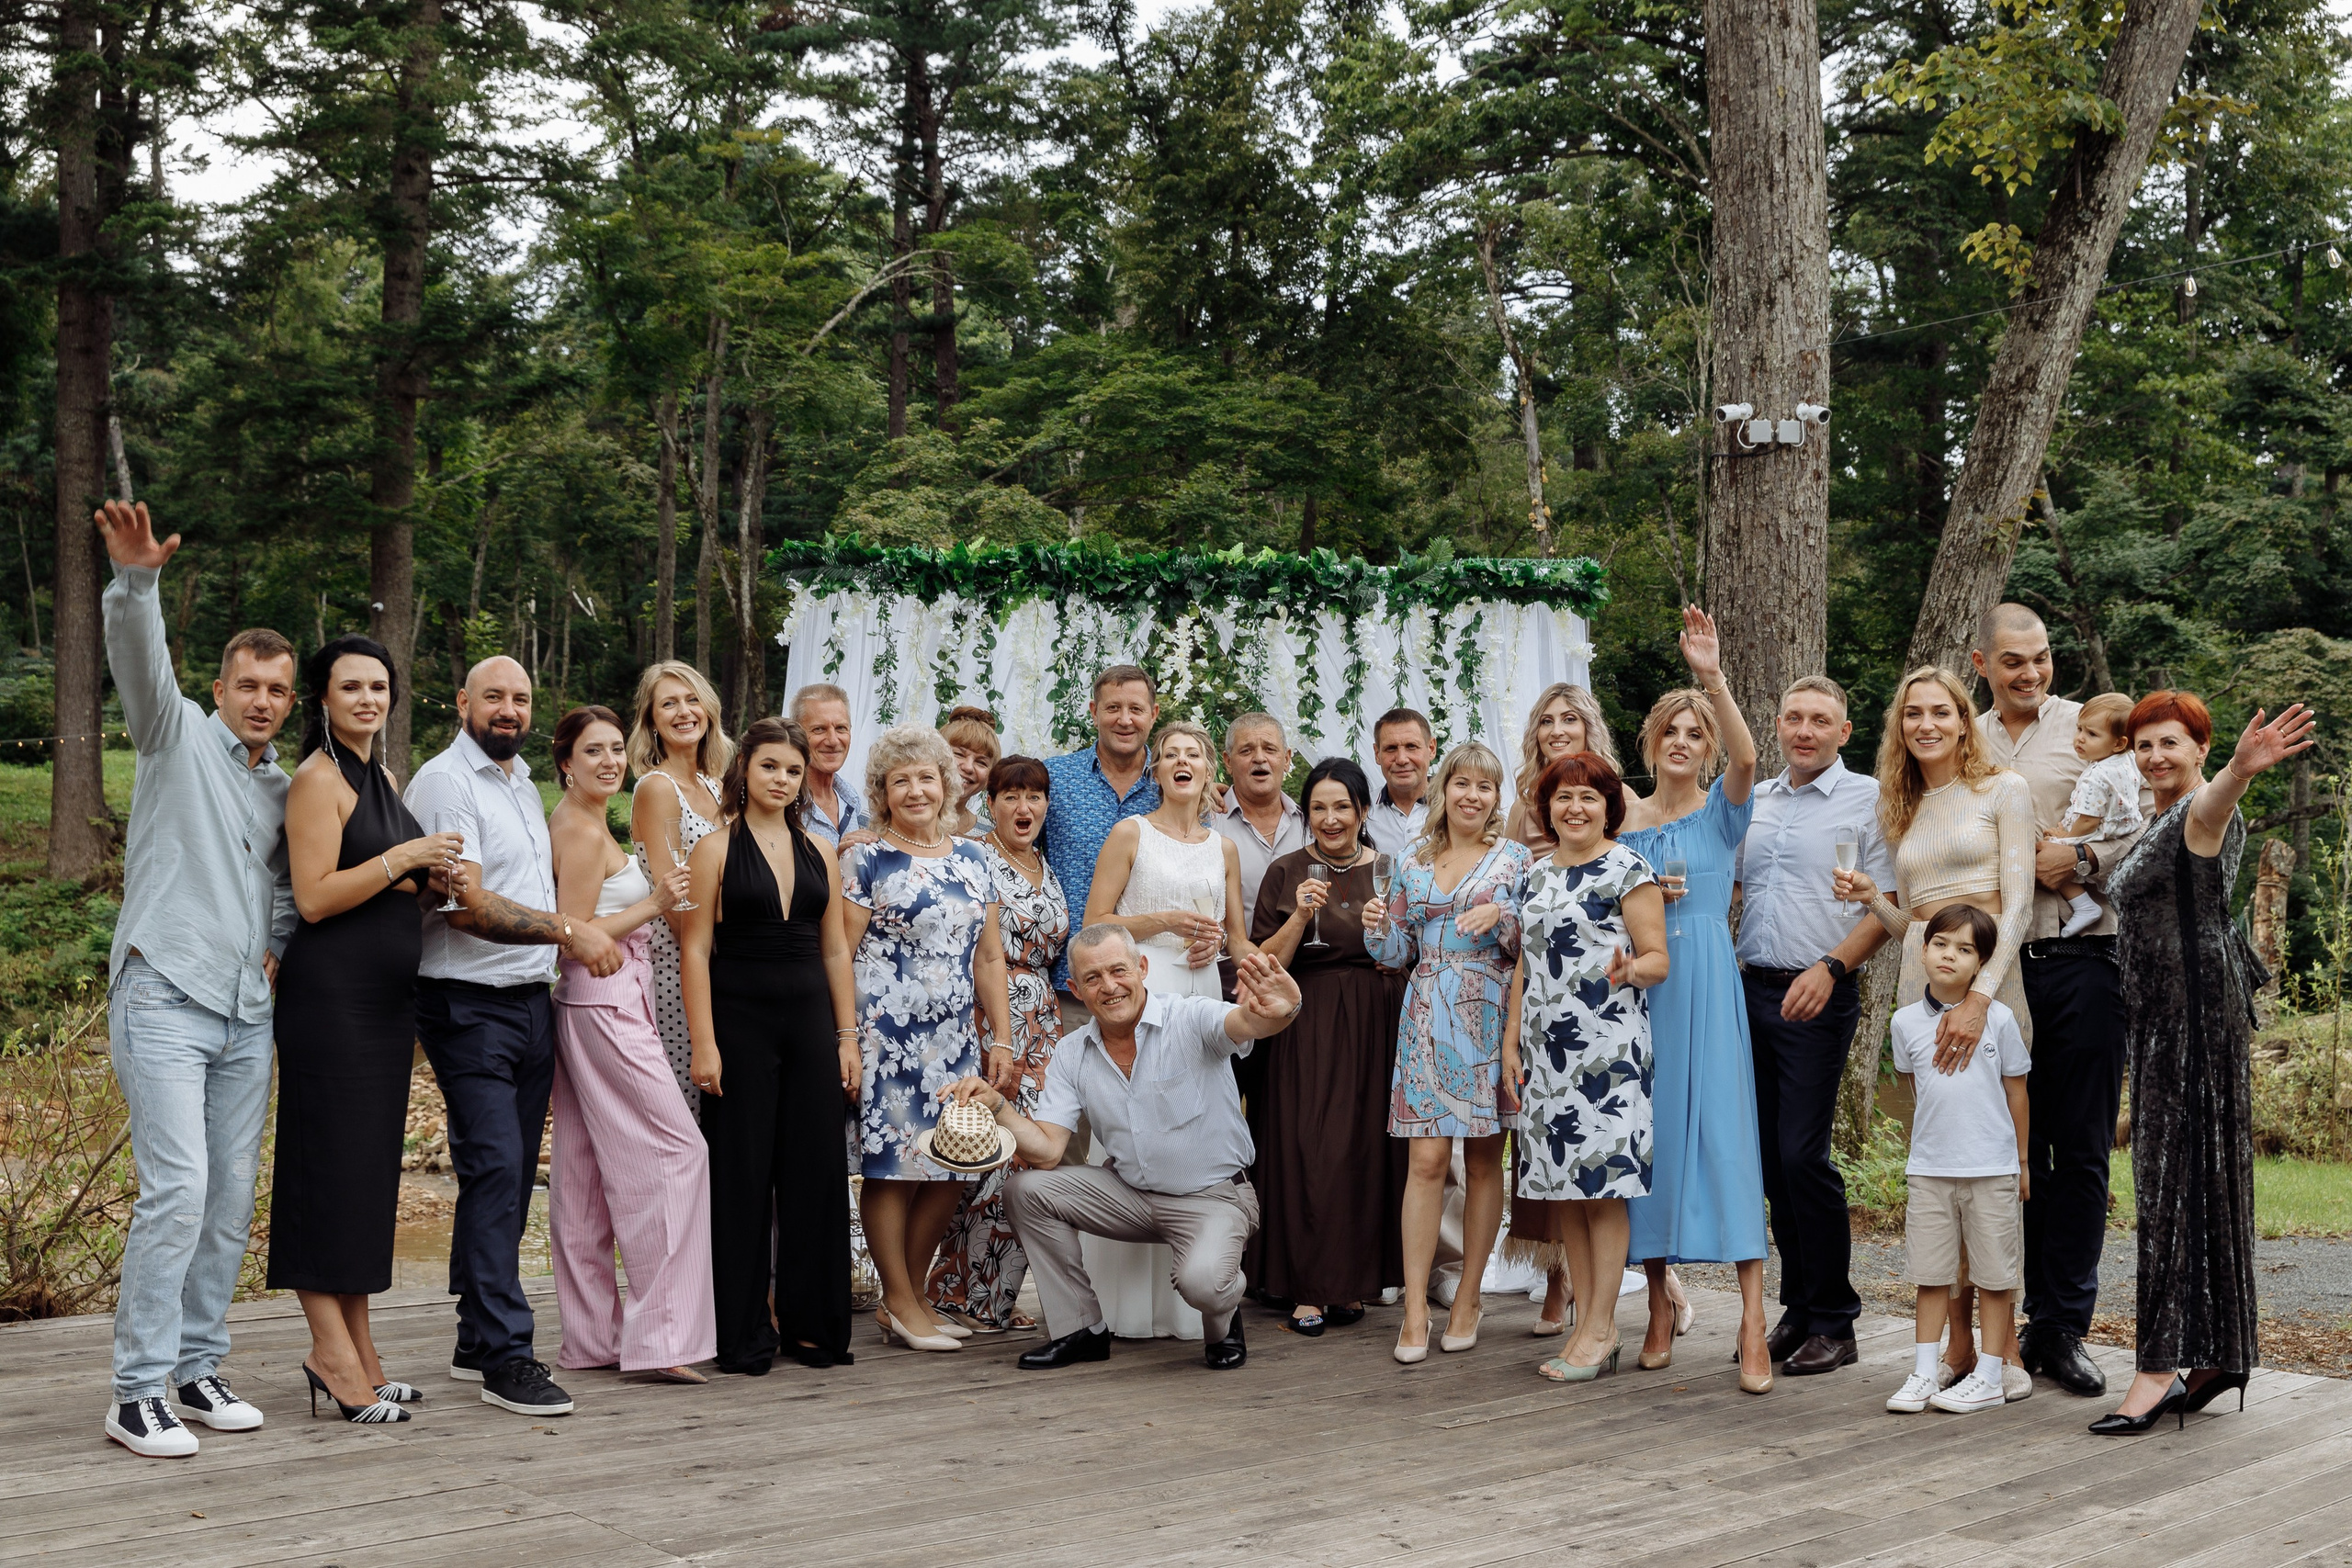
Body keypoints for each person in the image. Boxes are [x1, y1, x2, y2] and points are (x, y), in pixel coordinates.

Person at [94, 501, 295, 1457]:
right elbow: (140, 660)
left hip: (245, 1018)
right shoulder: (174, 737)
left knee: (225, 1201)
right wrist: (138, 584)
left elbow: (288, 890)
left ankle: (196, 1367)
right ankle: (135, 1392)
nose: (261, 700)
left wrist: (278, 946)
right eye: (248, 684)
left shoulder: (281, 788)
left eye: (277, 690)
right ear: (217, 687)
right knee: (175, 1191)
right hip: (163, 996)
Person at [2092, 693, 2314, 1434]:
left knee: (2167, 1188)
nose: (2156, 755)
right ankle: (2217, 1353)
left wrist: (2240, 771)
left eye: (2170, 743)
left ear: (2199, 749)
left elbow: (2215, 806)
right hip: (2171, 1019)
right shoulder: (2157, 817)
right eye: (2143, 744)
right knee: (2194, 1181)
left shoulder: (2199, 810)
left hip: (2190, 1022)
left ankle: (2158, 1368)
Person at [411, 655, 623, 1419]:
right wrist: (570, 929)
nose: (509, 709)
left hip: (530, 1000)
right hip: (465, 1001)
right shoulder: (446, 781)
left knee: (495, 1174)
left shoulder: (519, 781)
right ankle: (507, 1354)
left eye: (521, 698)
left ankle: (474, 1338)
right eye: (494, 696)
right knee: (500, 1167)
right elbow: (462, 906)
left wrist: (558, 940)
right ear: (464, 701)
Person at [944, 930, 1306, 1373]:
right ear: (1076, 990)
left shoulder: (1189, 1017)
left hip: (1213, 1196)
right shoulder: (1073, 1052)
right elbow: (1048, 1150)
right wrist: (998, 1106)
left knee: (1205, 1285)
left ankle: (1223, 1318)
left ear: (1142, 970)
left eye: (1118, 970)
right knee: (1027, 1189)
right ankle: (1081, 1330)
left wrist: (1283, 1009)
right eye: (1092, 978)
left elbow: (1248, 1022)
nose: (1109, 986)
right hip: (1130, 1194)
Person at [271, 635, 459, 1427]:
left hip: (385, 1005)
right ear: (322, 696)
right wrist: (405, 856)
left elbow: (381, 888)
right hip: (330, 1002)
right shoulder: (317, 779)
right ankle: (328, 1352)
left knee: (365, 1177)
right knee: (325, 1172)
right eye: (351, 686)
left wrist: (430, 880)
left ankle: (363, 1352)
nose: (368, 699)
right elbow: (314, 898)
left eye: (379, 685)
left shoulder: (377, 773)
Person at [1836, 664, 2035, 1392]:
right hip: (1922, 981)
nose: (1926, 724)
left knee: (1988, 1165)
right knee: (1940, 1158)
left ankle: (2004, 1353)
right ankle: (1955, 1347)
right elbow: (1914, 923)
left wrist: (1981, 995)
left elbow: (2015, 905)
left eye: (1940, 712)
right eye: (1912, 713)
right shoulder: (1904, 805)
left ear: (1963, 720)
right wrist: (1872, 900)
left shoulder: (2002, 790)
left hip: (1990, 976)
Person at [1968, 607, 2148, 1401]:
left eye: (2040, 658)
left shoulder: (2098, 728)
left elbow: (2148, 824)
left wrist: (2076, 854)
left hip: (2083, 959)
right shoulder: (1960, 734)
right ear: (1983, 662)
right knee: (2006, 1154)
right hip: (1992, 974)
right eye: (2013, 661)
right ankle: (2004, 1329)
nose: (2030, 673)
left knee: (2076, 1150)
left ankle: (2062, 1325)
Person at [1617, 606, 1770, 1390]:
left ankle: (1752, 1321)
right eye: (1671, 731)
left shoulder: (1722, 811)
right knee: (1653, 1142)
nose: (1683, 741)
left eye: (1695, 732)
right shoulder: (1624, 821)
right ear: (1651, 743)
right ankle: (1655, 1302)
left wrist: (1712, 678)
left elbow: (1749, 754)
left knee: (1722, 1137)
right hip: (1643, 992)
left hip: (1706, 978)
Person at [681, 717, 862, 1372]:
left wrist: (848, 1037)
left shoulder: (820, 849)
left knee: (815, 1170)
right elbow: (695, 948)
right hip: (739, 1019)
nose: (781, 779)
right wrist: (705, 1042)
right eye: (769, 767)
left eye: (792, 770)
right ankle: (742, 1331)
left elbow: (836, 947)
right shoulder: (714, 849)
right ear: (744, 771)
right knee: (743, 1173)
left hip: (812, 1018)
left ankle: (814, 1327)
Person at [1733, 675, 1894, 1377]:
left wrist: (1830, 968)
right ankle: (1799, 1308)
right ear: (1777, 724)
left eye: (1819, 720)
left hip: (1817, 992)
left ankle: (1837, 1318)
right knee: (1769, 1160)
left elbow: (1887, 905)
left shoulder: (1871, 800)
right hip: (1747, 991)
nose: (1805, 729)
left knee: (1804, 1154)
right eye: (1793, 717)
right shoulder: (1754, 802)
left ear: (1843, 731)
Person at [546, 705, 712, 1383]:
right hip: (607, 1004)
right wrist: (656, 900)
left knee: (582, 1173)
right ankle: (662, 1337)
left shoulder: (579, 822)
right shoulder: (581, 833)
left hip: (591, 1006)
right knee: (678, 1150)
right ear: (566, 762)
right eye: (594, 752)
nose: (611, 761)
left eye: (617, 749)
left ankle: (591, 1338)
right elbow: (574, 929)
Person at [841, 724, 1017, 1353]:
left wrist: (1000, 1037)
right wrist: (845, 1037)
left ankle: (907, 1298)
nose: (915, 790)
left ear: (945, 783)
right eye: (900, 780)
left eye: (926, 777)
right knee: (893, 1169)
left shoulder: (975, 857)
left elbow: (990, 957)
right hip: (884, 1037)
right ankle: (901, 1301)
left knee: (950, 1165)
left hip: (953, 1040)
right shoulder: (865, 857)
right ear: (882, 792)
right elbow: (839, 950)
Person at [1080, 719, 1253, 1338]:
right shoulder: (1131, 833)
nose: (1182, 761)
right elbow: (1095, 922)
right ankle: (1126, 1304)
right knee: (1136, 1121)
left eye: (1194, 755)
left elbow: (1235, 935)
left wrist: (1233, 951)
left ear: (1209, 771)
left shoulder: (1223, 845)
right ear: (1156, 771)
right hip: (1141, 989)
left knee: (1195, 1126)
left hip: (1200, 994)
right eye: (1170, 754)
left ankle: (1198, 1300)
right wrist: (1165, 922)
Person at [1502, 751, 1668, 1383]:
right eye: (1563, 796)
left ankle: (1602, 1327)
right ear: (1547, 807)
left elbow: (1658, 957)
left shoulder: (1629, 868)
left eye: (1588, 797)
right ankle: (1584, 1324)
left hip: (1608, 1051)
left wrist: (1632, 968)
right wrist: (1512, 1038)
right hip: (1546, 1054)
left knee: (1604, 1194)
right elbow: (1525, 964)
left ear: (1609, 806)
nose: (1574, 806)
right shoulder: (1536, 873)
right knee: (1565, 1190)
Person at [1366, 741, 1531, 1364]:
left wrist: (1505, 910)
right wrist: (1378, 923)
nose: (1473, 795)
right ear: (1444, 790)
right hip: (1426, 1008)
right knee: (1428, 1162)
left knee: (1487, 1162)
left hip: (1489, 1009)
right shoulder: (1412, 858)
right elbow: (1392, 955)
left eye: (1485, 787)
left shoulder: (1515, 859)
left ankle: (1468, 1296)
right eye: (1462, 783)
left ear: (1496, 797)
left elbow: (1532, 940)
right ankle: (1414, 1307)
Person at [1244, 758, 1407, 1337]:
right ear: (1305, 815)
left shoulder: (1391, 871)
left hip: (1374, 1025)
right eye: (1319, 808)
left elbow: (1409, 955)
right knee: (1308, 1148)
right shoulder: (1285, 871)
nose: (1331, 818)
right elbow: (1263, 965)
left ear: (1363, 812)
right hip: (1303, 1025)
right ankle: (1307, 1288)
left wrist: (1384, 931)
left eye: (1343, 806)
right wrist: (1301, 916)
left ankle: (1352, 1283)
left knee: (1362, 1153)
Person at [928, 757, 1069, 1333]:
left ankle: (995, 1298)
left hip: (1044, 1022)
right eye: (1011, 796)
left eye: (1034, 796)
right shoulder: (975, 855)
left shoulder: (1044, 863)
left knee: (1026, 1159)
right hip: (993, 1020)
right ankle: (954, 1293)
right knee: (987, 1156)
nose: (1024, 807)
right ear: (989, 804)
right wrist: (997, 1036)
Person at [1884, 904, 2032, 1417]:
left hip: (1992, 1169)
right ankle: (1925, 1371)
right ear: (1922, 950)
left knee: (1995, 1276)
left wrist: (2023, 1161)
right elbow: (1916, 1091)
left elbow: (2017, 1091)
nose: (1950, 955)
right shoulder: (1904, 1023)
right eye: (1941, 944)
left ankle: (1990, 1374)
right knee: (1931, 1273)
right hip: (1929, 1170)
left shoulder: (2000, 1018)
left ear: (1981, 963)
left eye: (1965, 949)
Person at [627, 660, 734, 1106]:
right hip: (679, 964)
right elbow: (672, 901)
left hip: (720, 961)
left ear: (708, 710)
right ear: (651, 720)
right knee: (687, 1105)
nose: (683, 711)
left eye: (692, 700)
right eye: (668, 703)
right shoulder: (656, 788)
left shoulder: (713, 785)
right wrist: (708, 955)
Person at [1040, 665, 1162, 996]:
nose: (1125, 720)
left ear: (1153, 714)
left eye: (1136, 709)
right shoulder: (1054, 779)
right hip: (1069, 981)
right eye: (1113, 708)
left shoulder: (1174, 785)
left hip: (1154, 979)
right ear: (1094, 713)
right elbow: (1012, 853)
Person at [2049, 692, 2142, 937]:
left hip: (2098, 831)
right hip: (2124, 826)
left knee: (2044, 852)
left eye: (2091, 734)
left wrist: (2064, 837)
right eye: (2079, 729)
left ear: (2119, 743)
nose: (2079, 739)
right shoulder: (2128, 759)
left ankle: (2084, 906)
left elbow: (2089, 820)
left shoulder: (2095, 775)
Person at [1209, 712, 1307, 929]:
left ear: (1287, 759)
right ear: (1227, 761)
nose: (1260, 758)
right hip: (1230, 960)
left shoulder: (1311, 826)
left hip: (1306, 960)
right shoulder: (1206, 822)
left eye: (1270, 749)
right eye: (1246, 750)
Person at [1504, 682, 1617, 848]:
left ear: (1588, 728)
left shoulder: (1617, 796)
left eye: (1569, 719)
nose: (1556, 731)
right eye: (1547, 721)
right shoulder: (1522, 807)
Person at [789, 683, 865, 845]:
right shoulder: (785, 803)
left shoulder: (850, 798)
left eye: (840, 728)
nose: (833, 740)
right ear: (796, 735)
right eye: (819, 729)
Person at [1366, 708, 1434, 860]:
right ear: (1377, 754)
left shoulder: (1454, 808)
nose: (1402, 759)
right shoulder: (1361, 811)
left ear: (1431, 748)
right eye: (1391, 748)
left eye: (1411, 746)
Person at [941, 705, 1001, 839]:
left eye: (981, 762)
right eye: (959, 754)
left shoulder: (990, 835)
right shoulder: (906, 814)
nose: (968, 767)